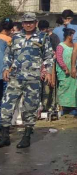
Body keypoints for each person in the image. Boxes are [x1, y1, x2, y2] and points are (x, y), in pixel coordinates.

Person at [0, 13, 53, 148]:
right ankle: (4, 136)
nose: (28, 24)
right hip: (15, 77)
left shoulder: (43, 37)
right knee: (6, 106)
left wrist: (48, 71)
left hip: (33, 79)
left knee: (30, 108)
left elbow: (48, 56)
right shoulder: (15, 37)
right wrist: (5, 68)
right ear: (22, 23)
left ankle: (27, 136)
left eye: (31, 22)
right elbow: (8, 55)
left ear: (35, 23)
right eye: (25, 22)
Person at [54, 27, 77, 114]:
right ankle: (61, 107)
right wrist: (65, 68)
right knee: (63, 87)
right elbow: (59, 58)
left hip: (73, 70)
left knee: (74, 88)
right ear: (69, 36)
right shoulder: (61, 46)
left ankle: (72, 107)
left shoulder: (75, 46)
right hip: (64, 72)